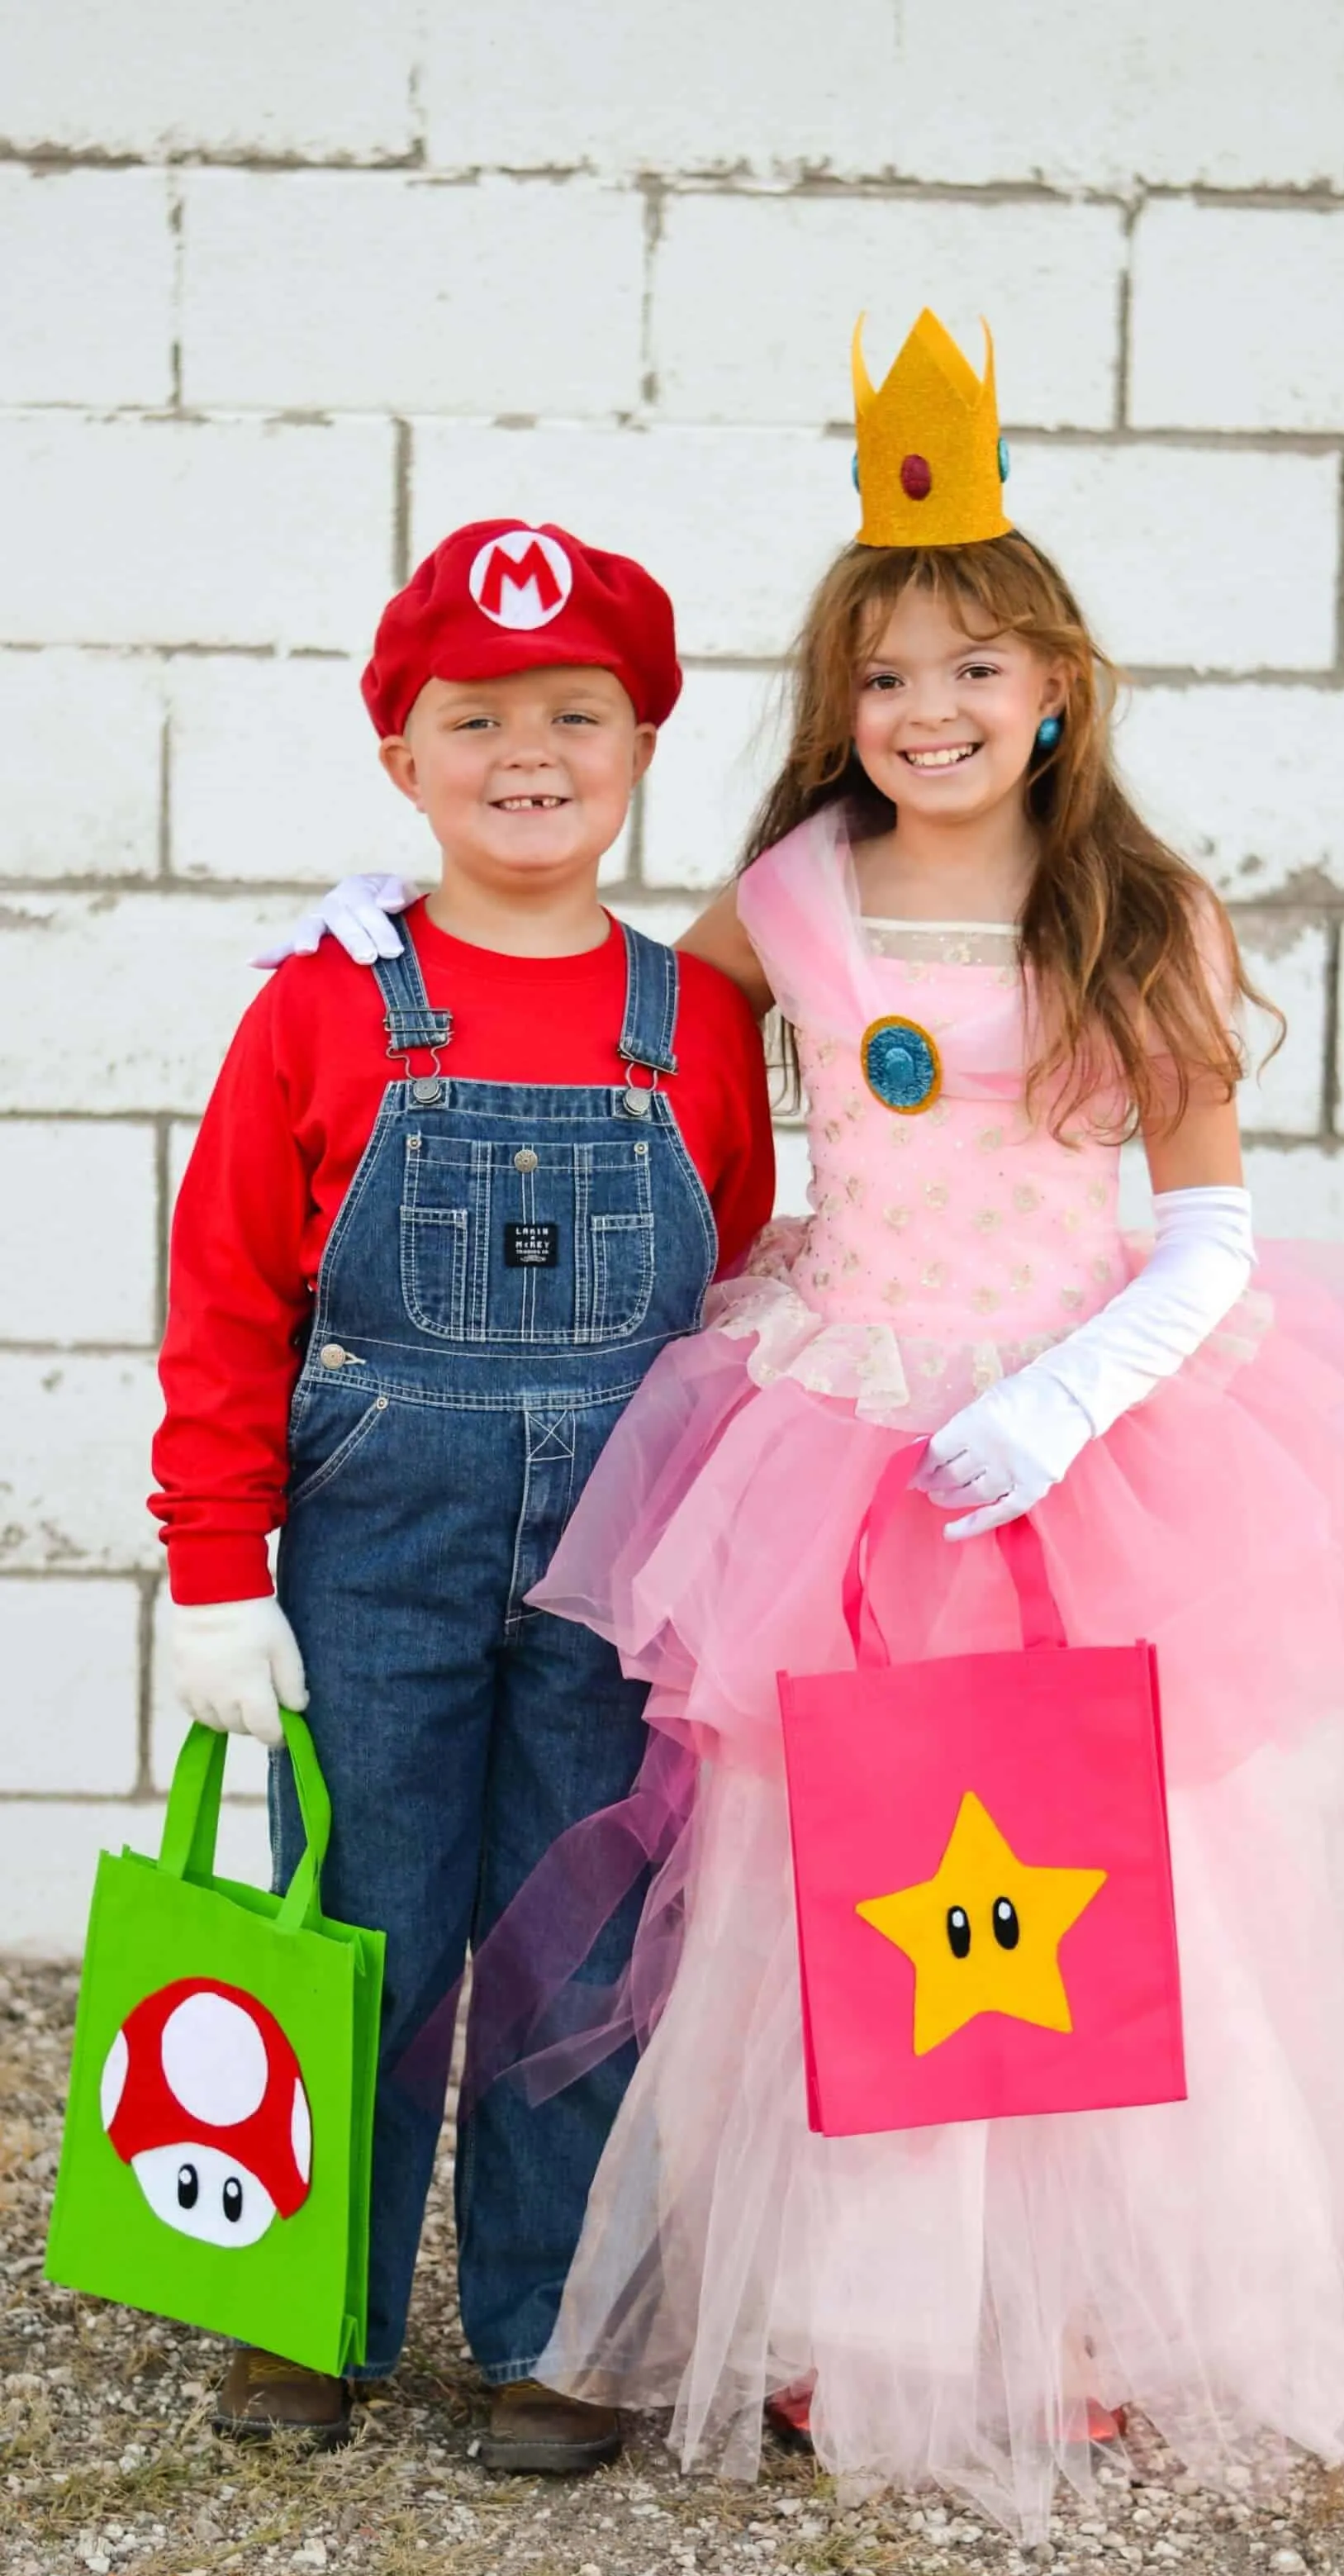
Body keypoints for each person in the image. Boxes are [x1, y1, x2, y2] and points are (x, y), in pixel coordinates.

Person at [278, 318, 1344, 2535]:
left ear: (1058, 681)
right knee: (814, 1878)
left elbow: (1211, 1230)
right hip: (834, 1442)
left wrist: (1071, 1392)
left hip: (1065, 1450)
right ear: (834, 707)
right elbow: (606, 1022)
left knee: (1070, 1875)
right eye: (884, 677)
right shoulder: (787, 903)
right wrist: (405, 940)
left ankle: (1059, 2309)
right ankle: (849, 2304)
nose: (930, 712)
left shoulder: (1140, 912)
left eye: (974, 667)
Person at [150, 520, 774, 2467]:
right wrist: (210, 1570)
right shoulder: (325, 1004)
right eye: (476, 714)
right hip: (374, 1543)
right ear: (399, 754)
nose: (529, 749)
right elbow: (229, 1295)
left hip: (617, 1551)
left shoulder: (700, 1026)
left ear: (641, 745)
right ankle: (302, 2306)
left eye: (576, 712)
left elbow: (732, 1292)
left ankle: (552, 2328)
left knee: (575, 1934)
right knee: (363, 1907)